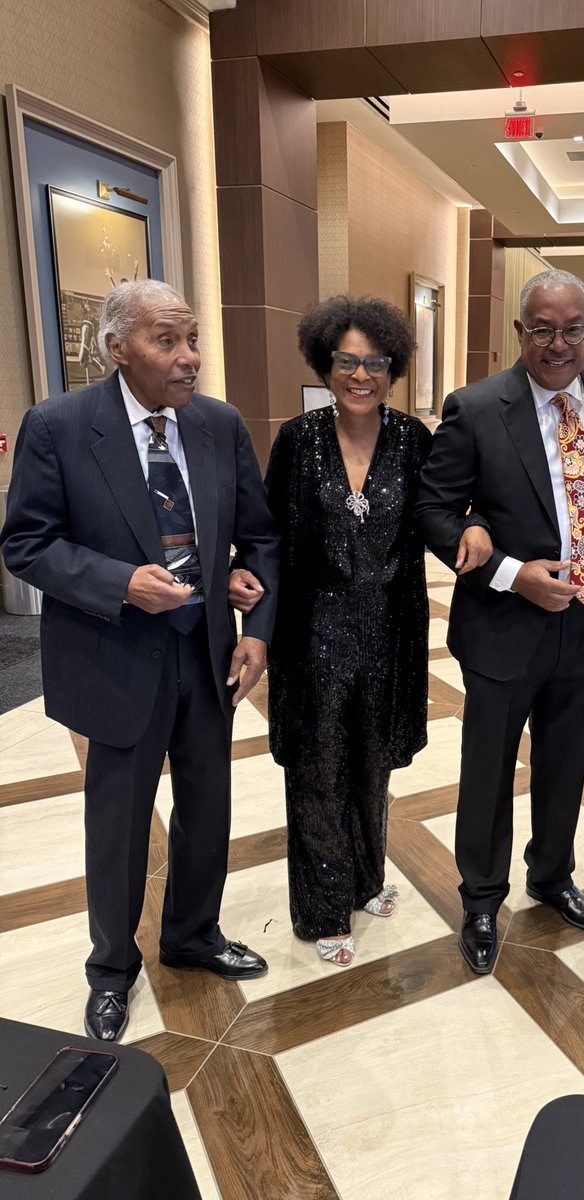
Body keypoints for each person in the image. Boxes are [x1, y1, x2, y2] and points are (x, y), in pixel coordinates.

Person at [0, 280, 279, 1040]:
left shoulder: (217, 425)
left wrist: (255, 628)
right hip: (113, 653)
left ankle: (192, 935)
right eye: (168, 341)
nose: (189, 358)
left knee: (208, 806)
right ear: (117, 348)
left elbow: (259, 537)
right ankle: (112, 968)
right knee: (118, 819)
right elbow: (24, 543)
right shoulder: (58, 426)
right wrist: (120, 582)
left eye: (192, 340)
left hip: (206, 652)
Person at [264, 295, 491, 968]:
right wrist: (247, 594)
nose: (360, 376)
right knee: (317, 768)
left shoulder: (412, 440)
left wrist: (472, 524)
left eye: (375, 363)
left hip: (391, 630)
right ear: (324, 363)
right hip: (311, 636)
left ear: (393, 368)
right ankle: (322, 908)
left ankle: (364, 880)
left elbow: (441, 513)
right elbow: (268, 537)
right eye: (346, 362)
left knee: (370, 763)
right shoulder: (296, 440)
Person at [416, 268, 584, 975]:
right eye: (543, 329)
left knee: (566, 763)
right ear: (519, 332)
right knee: (488, 767)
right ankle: (480, 897)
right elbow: (434, 511)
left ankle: (552, 875)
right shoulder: (476, 409)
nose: (558, 344)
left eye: (572, 329)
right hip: (505, 625)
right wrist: (511, 573)